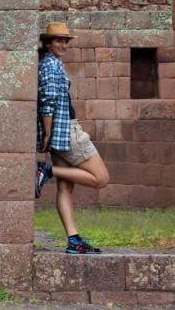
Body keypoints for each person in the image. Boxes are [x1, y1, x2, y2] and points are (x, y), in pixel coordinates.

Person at [34, 22, 110, 254]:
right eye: (58, 40)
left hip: (60, 132)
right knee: (101, 178)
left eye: (66, 41)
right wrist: (47, 132)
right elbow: (47, 100)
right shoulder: (50, 65)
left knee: (66, 189)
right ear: (47, 42)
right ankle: (45, 170)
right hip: (65, 131)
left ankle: (73, 240)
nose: (63, 44)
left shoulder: (50, 63)